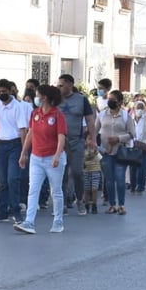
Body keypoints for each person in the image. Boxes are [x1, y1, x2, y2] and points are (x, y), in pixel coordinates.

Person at [14, 85, 68, 234]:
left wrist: (57, 155)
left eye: (38, 95)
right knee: (33, 189)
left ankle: (58, 222)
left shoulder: (57, 115)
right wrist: (23, 153)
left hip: (53, 158)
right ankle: (29, 222)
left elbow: (61, 137)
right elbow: (31, 133)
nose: (35, 98)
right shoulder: (35, 114)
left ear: (44, 97)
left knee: (56, 191)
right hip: (36, 157)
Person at [0, 79, 30, 224]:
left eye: (4, 92)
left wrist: (23, 151)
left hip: (15, 144)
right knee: (2, 180)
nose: (1, 94)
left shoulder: (17, 107)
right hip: (1, 144)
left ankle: (16, 211)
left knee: (13, 179)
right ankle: (2, 212)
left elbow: (23, 129)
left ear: (10, 91)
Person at [56, 74, 95, 214]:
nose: (59, 87)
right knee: (62, 174)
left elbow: (90, 120)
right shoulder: (55, 99)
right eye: (58, 85)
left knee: (77, 172)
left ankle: (80, 199)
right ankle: (63, 203)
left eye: (61, 85)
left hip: (76, 141)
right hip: (59, 141)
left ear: (70, 85)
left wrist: (93, 139)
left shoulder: (81, 100)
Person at [94, 90, 135, 215]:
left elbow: (132, 134)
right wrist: (95, 145)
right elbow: (94, 131)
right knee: (109, 180)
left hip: (120, 152)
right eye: (109, 99)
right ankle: (112, 204)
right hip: (106, 152)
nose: (110, 102)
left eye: (113, 100)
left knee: (120, 178)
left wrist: (119, 138)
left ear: (120, 102)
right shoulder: (102, 115)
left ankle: (121, 205)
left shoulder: (125, 116)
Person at [129, 100, 146, 194]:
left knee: (142, 167)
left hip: (144, 146)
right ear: (134, 108)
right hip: (133, 146)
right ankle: (133, 186)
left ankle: (141, 187)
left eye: (141, 108)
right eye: (137, 108)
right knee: (133, 168)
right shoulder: (130, 119)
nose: (139, 110)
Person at [82, 140, 101, 214]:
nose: (91, 142)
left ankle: (94, 205)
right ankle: (86, 205)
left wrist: (96, 152)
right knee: (87, 190)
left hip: (95, 171)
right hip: (86, 171)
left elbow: (100, 158)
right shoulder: (84, 150)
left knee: (94, 189)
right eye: (89, 139)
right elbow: (84, 159)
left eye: (92, 139)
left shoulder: (97, 150)